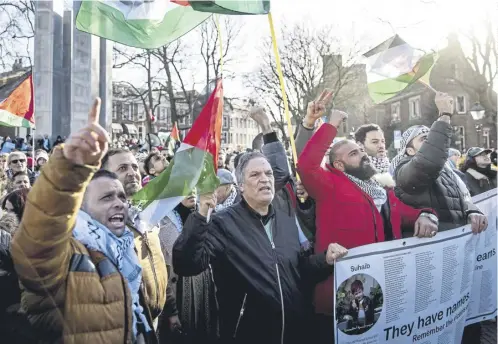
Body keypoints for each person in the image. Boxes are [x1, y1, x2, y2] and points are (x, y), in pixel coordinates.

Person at [11, 99, 165, 344]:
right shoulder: (67, 252)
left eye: (121, 197)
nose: (118, 203)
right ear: (80, 206)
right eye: (106, 197)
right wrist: (69, 171)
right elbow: (36, 243)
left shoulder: (124, 250)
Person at [173, 151, 348, 344]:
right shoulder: (222, 223)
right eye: (255, 175)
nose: (264, 179)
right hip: (248, 334)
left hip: (295, 333)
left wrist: (325, 260)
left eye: (268, 174)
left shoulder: (286, 221)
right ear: (240, 185)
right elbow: (186, 264)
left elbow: (296, 272)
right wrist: (202, 213)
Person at [297, 108, 438, 344]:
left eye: (362, 150)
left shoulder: (380, 187)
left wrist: (426, 215)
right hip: (338, 298)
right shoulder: (328, 185)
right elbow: (306, 166)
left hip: (379, 292)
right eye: (354, 153)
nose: (363, 154)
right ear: (340, 165)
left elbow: (404, 213)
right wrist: (330, 126)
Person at [389, 93, 488, 344]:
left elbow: (464, 198)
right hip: (431, 263)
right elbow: (428, 162)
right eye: (424, 139)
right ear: (410, 149)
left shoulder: (450, 174)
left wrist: (472, 211)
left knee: (466, 323)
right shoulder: (406, 169)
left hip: (457, 259)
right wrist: (443, 117)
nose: (431, 142)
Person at [101, 147, 169, 328]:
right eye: (122, 169)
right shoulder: (101, 224)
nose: (132, 173)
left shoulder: (147, 215)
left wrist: (170, 309)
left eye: (133, 167)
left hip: (153, 322)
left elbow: (160, 262)